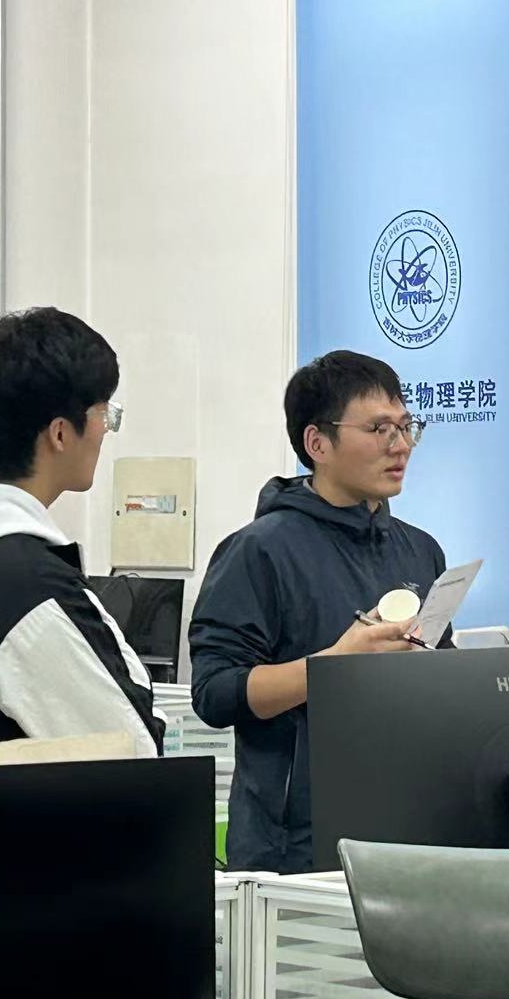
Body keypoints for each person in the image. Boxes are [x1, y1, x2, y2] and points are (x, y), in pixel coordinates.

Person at [190, 350, 448, 873]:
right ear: (317, 443)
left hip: (404, 832)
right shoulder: (258, 550)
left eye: (406, 427)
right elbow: (214, 692)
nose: (400, 445)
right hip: (293, 849)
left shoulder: (420, 550)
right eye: (379, 429)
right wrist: (333, 667)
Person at [0, 308, 164, 758]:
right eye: (103, 414)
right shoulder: (21, 584)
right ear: (60, 433)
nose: (105, 430)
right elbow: (129, 750)